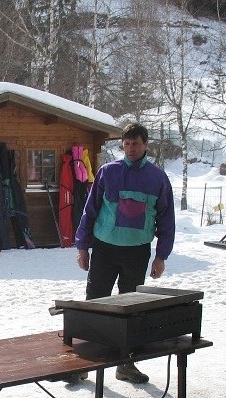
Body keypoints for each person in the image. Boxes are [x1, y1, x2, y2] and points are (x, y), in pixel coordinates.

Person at [74, 123, 176, 384]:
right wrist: (82, 247)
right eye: (127, 144)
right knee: (94, 305)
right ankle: (82, 364)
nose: (131, 149)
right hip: (105, 249)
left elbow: (166, 220)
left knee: (130, 309)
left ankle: (125, 364)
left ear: (146, 145)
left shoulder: (157, 178)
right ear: (122, 144)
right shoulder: (108, 172)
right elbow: (90, 210)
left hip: (137, 252)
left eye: (136, 144)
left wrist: (161, 256)